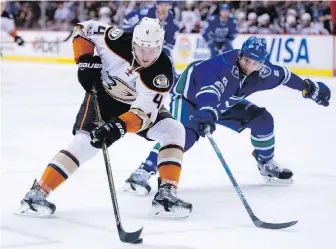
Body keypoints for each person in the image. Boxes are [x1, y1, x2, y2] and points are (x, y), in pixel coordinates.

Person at [17, 17, 192, 218]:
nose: (146, 56)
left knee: (174, 130)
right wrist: (83, 59)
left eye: (152, 50)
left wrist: (119, 126)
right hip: (101, 98)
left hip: (134, 108)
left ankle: (166, 193)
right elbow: (83, 28)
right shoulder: (115, 40)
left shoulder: (161, 71)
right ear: (133, 41)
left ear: (160, 46)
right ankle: (37, 193)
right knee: (84, 144)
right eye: (141, 48)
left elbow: (143, 114)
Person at [123, 36, 331, 195]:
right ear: (240, 54)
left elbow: (285, 76)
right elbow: (208, 92)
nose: (249, 67)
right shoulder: (221, 65)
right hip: (190, 98)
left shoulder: (265, 72)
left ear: (262, 63)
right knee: (185, 135)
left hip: (222, 103)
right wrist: (207, 112)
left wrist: (307, 88)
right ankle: (143, 171)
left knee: (262, 119)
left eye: (255, 63)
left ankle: (266, 163)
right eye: (246, 60)